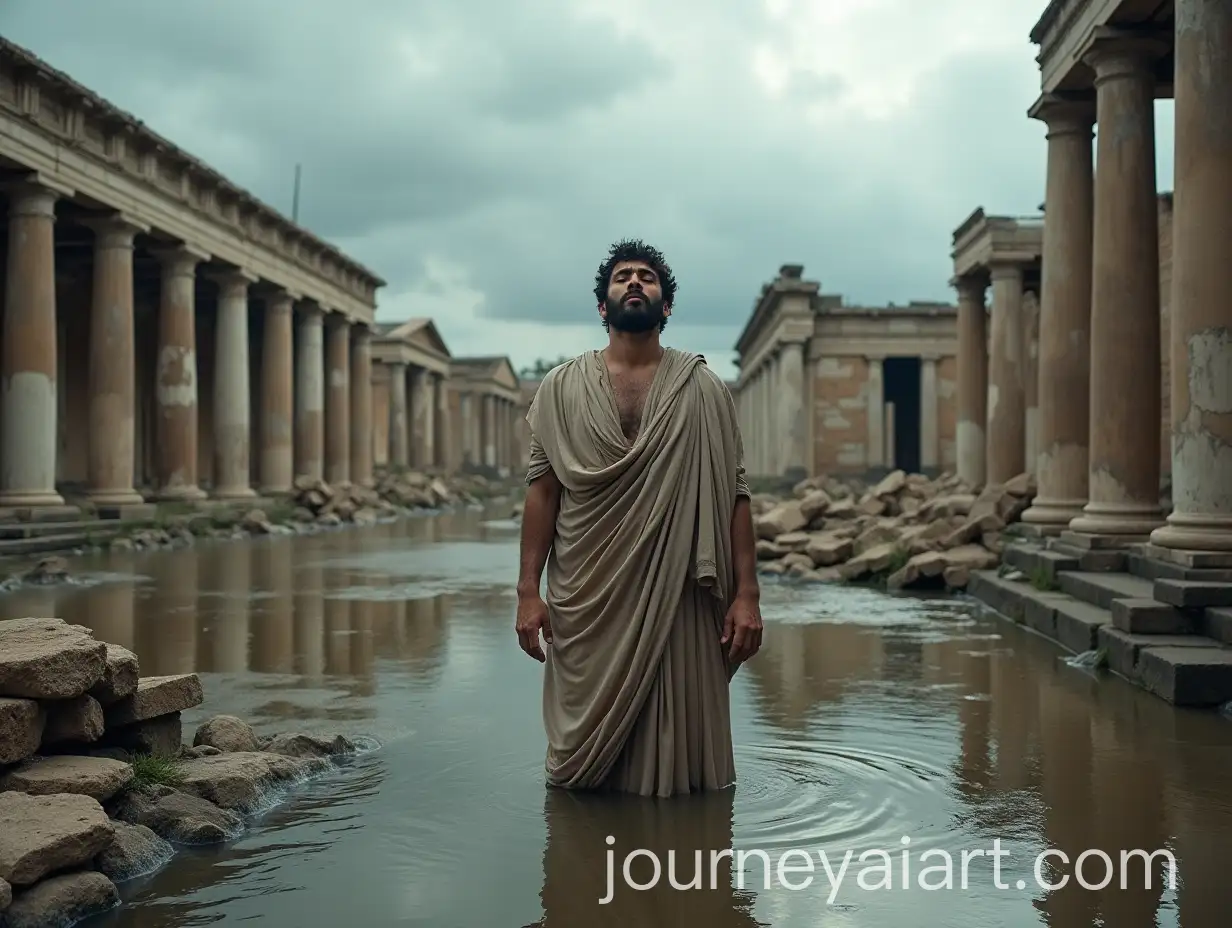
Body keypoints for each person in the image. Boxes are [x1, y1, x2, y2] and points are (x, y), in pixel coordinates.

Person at [515, 238, 762, 798]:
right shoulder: (561, 388)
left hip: (678, 595)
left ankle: (686, 876)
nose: (634, 283)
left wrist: (747, 594)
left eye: (647, 278)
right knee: (580, 780)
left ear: (666, 306)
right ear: (603, 306)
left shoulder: (703, 390)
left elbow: (734, 495)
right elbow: (543, 491)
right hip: (588, 594)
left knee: (689, 789)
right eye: (623, 276)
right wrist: (528, 590)